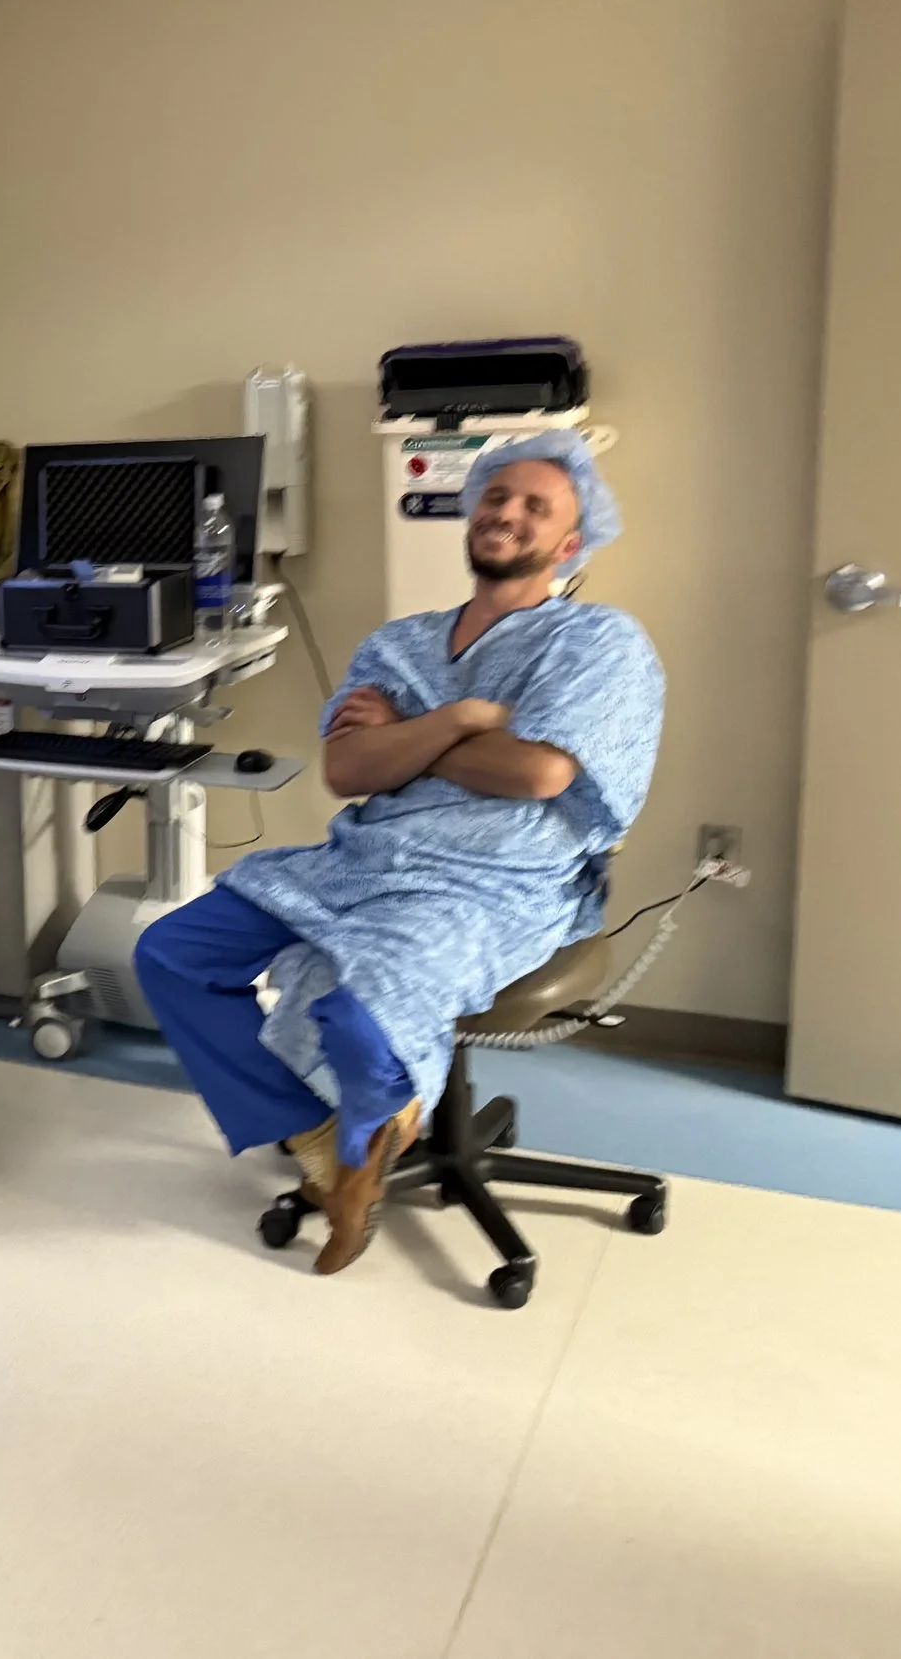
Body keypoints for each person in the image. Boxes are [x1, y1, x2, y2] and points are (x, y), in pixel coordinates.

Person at [134, 431, 664, 1275]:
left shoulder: (597, 643)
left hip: (498, 880)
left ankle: (366, 1139)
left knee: (360, 1013)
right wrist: (457, 723)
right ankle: (321, 1137)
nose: (506, 513)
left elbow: (537, 771)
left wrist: (406, 741)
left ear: (570, 544)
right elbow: (348, 767)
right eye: (496, 496)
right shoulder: (399, 645)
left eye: (535, 507)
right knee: (172, 951)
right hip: (367, 858)